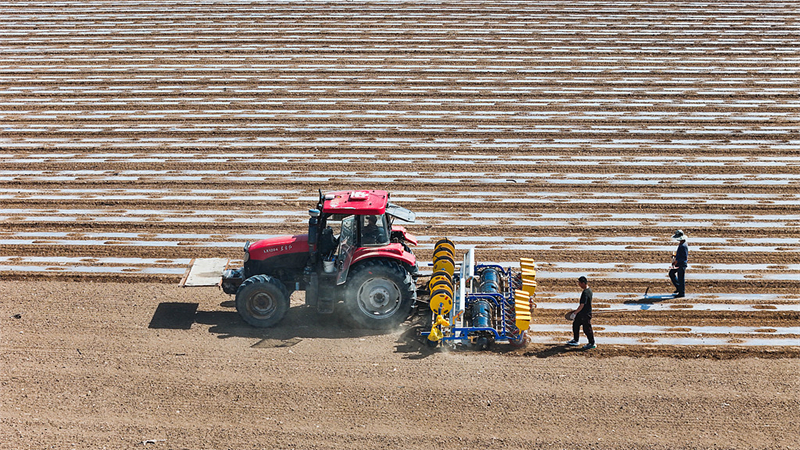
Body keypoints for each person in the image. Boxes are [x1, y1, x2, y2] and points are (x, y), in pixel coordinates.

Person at [566, 275, 595, 350]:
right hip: (582, 313)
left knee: (587, 329)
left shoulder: (586, 293)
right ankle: (575, 340)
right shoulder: (589, 290)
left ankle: (592, 343)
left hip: (585, 313)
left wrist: (575, 313)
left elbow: (582, 305)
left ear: (583, 283)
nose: (579, 285)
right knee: (576, 324)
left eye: (579, 283)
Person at [669, 229, 689, 298]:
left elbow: (683, 257)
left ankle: (681, 293)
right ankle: (678, 287)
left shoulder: (683, 246)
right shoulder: (682, 244)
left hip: (681, 264)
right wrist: (675, 255)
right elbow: (680, 254)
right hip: (679, 263)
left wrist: (675, 261)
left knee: (681, 278)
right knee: (671, 273)